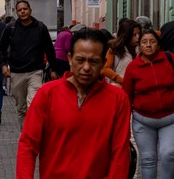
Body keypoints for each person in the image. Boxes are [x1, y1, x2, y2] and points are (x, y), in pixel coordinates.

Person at [16, 28, 131, 179]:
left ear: (104, 62)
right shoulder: (47, 94)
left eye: (94, 61)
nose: (86, 68)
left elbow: (120, 152)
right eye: (80, 60)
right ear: (69, 58)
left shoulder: (118, 99)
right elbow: (28, 145)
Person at [122, 29, 174, 179]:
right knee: (148, 159)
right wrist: (124, 123)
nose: (148, 45)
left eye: (152, 41)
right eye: (144, 42)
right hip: (143, 121)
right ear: (139, 46)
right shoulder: (133, 68)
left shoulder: (170, 59)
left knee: (169, 154)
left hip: (172, 118)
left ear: (158, 44)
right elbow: (126, 96)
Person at [0, 0, 56, 128]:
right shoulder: (11, 28)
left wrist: (53, 68)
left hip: (35, 72)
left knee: (34, 105)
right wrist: (3, 65)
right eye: (20, 10)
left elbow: (49, 49)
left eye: (25, 9)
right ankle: (25, 133)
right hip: (16, 73)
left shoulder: (40, 27)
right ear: (16, 12)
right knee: (21, 108)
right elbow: (1, 48)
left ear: (30, 10)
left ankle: (33, 135)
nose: (23, 11)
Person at [102, 18, 140, 85]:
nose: (138, 37)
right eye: (134, 34)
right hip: (120, 87)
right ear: (126, 35)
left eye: (139, 33)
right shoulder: (114, 50)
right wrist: (120, 80)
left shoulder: (142, 49)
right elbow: (105, 69)